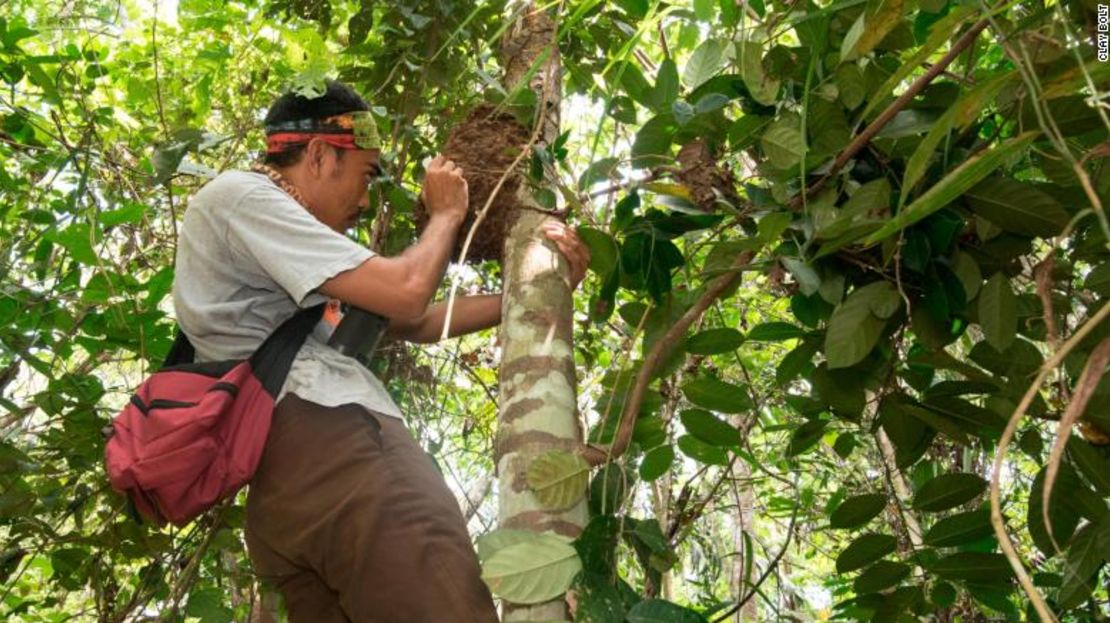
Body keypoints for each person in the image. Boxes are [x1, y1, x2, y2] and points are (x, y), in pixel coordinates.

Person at [171, 79, 590, 622]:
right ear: (321, 155)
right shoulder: (243, 197)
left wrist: (538, 283)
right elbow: (407, 291)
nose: (366, 201)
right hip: (338, 450)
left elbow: (413, 321)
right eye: (366, 174)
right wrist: (446, 216)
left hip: (284, 492)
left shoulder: (289, 252)